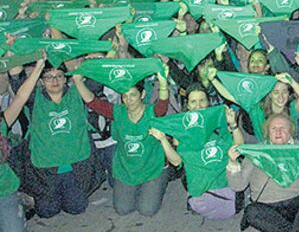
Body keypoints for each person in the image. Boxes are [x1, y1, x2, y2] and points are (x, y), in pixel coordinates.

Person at [73, 67, 171, 216]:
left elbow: (163, 103)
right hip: (127, 169)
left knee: (147, 210)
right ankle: (140, 188)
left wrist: (163, 84)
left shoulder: (153, 112)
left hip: (153, 168)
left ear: (142, 94)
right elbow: (92, 102)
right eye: (125, 96)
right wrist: (77, 81)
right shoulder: (118, 112)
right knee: (123, 209)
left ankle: (155, 184)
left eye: (133, 95)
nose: (128, 100)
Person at [227, 113, 299, 232]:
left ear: (291, 131)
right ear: (267, 132)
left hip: (296, 204)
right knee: (251, 211)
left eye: (283, 128)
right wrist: (233, 163)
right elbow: (238, 186)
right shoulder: (257, 151)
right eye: (274, 128)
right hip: (267, 207)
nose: (278, 132)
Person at [21, 62, 99, 218]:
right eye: (48, 77)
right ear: (41, 81)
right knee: (47, 211)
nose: (54, 81)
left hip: (76, 165)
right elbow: (17, 79)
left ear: (65, 79)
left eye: (59, 76)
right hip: (45, 168)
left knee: (77, 207)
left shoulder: (78, 92)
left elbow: (96, 82)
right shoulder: (33, 98)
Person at [0, 55, 44, 232]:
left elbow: (20, 98)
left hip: (5, 193)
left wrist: (39, 66)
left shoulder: (1, 124)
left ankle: (19, 201)